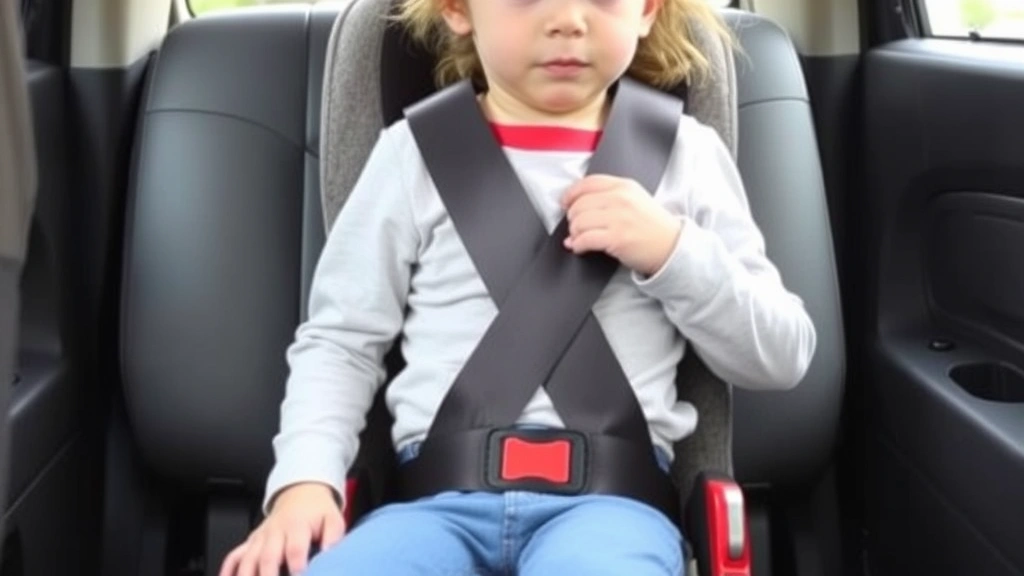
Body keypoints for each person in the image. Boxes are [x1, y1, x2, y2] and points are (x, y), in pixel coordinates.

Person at [220, 0, 817, 574]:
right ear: (458, 8)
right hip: (433, 506)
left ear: (647, 9)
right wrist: (303, 482)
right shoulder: (411, 155)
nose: (567, 20)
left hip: (611, 509)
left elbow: (782, 354)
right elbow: (341, 341)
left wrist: (672, 252)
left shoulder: (688, 157)